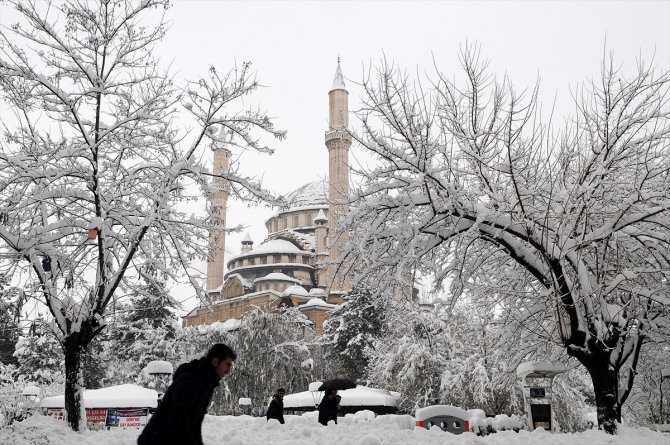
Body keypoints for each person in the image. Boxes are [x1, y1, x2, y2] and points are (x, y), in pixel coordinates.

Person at [137, 344, 236, 445]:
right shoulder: (192, 379)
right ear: (215, 361)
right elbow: (178, 417)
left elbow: (194, 425)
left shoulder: (207, 383)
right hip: (156, 440)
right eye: (227, 364)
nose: (228, 370)